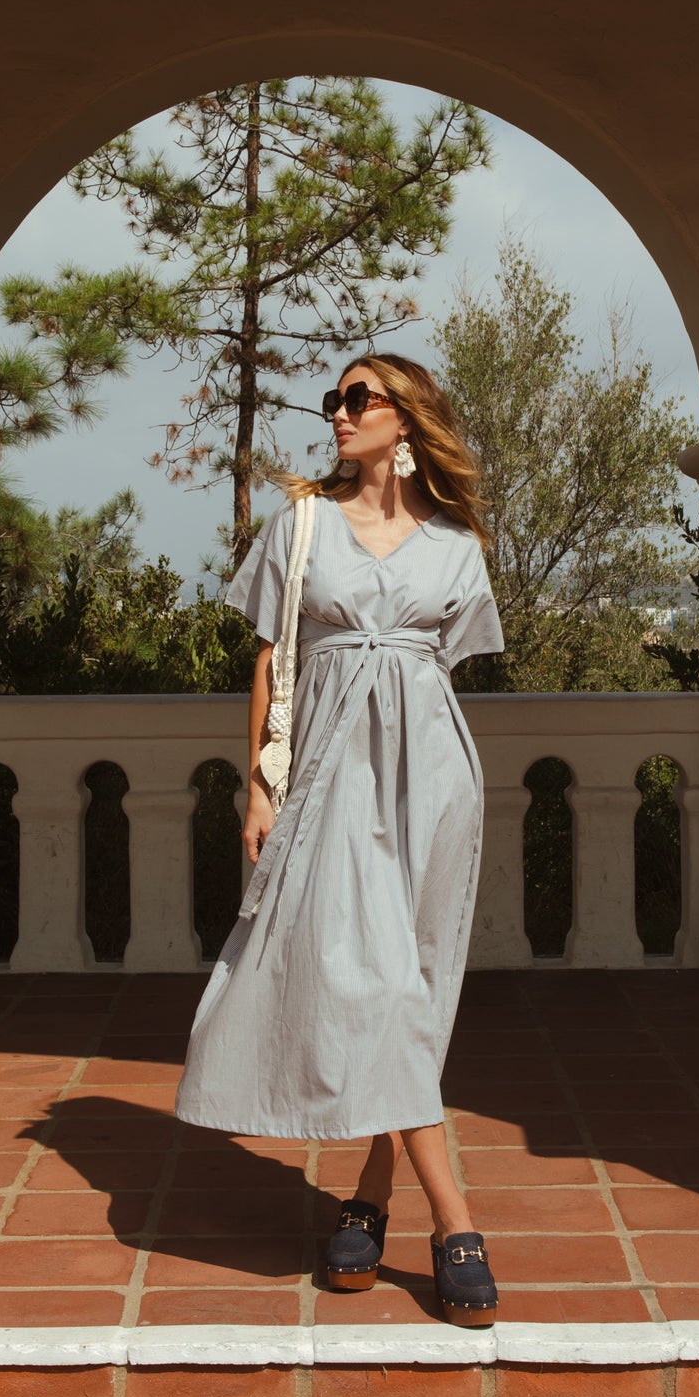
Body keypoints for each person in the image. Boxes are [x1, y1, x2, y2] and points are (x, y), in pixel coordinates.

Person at [174, 353, 505, 1326]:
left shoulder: (454, 543)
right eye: (334, 398)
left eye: (358, 397)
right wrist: (258, 785)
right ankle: (453, 1216)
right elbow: (272, 663)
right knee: (367, 979)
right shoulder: (301, 523)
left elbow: (435, 668)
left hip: (432, 776)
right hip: (324, 776)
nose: (338, 412)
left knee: (412, 980)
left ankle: (370, 1194)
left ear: (406, 420)